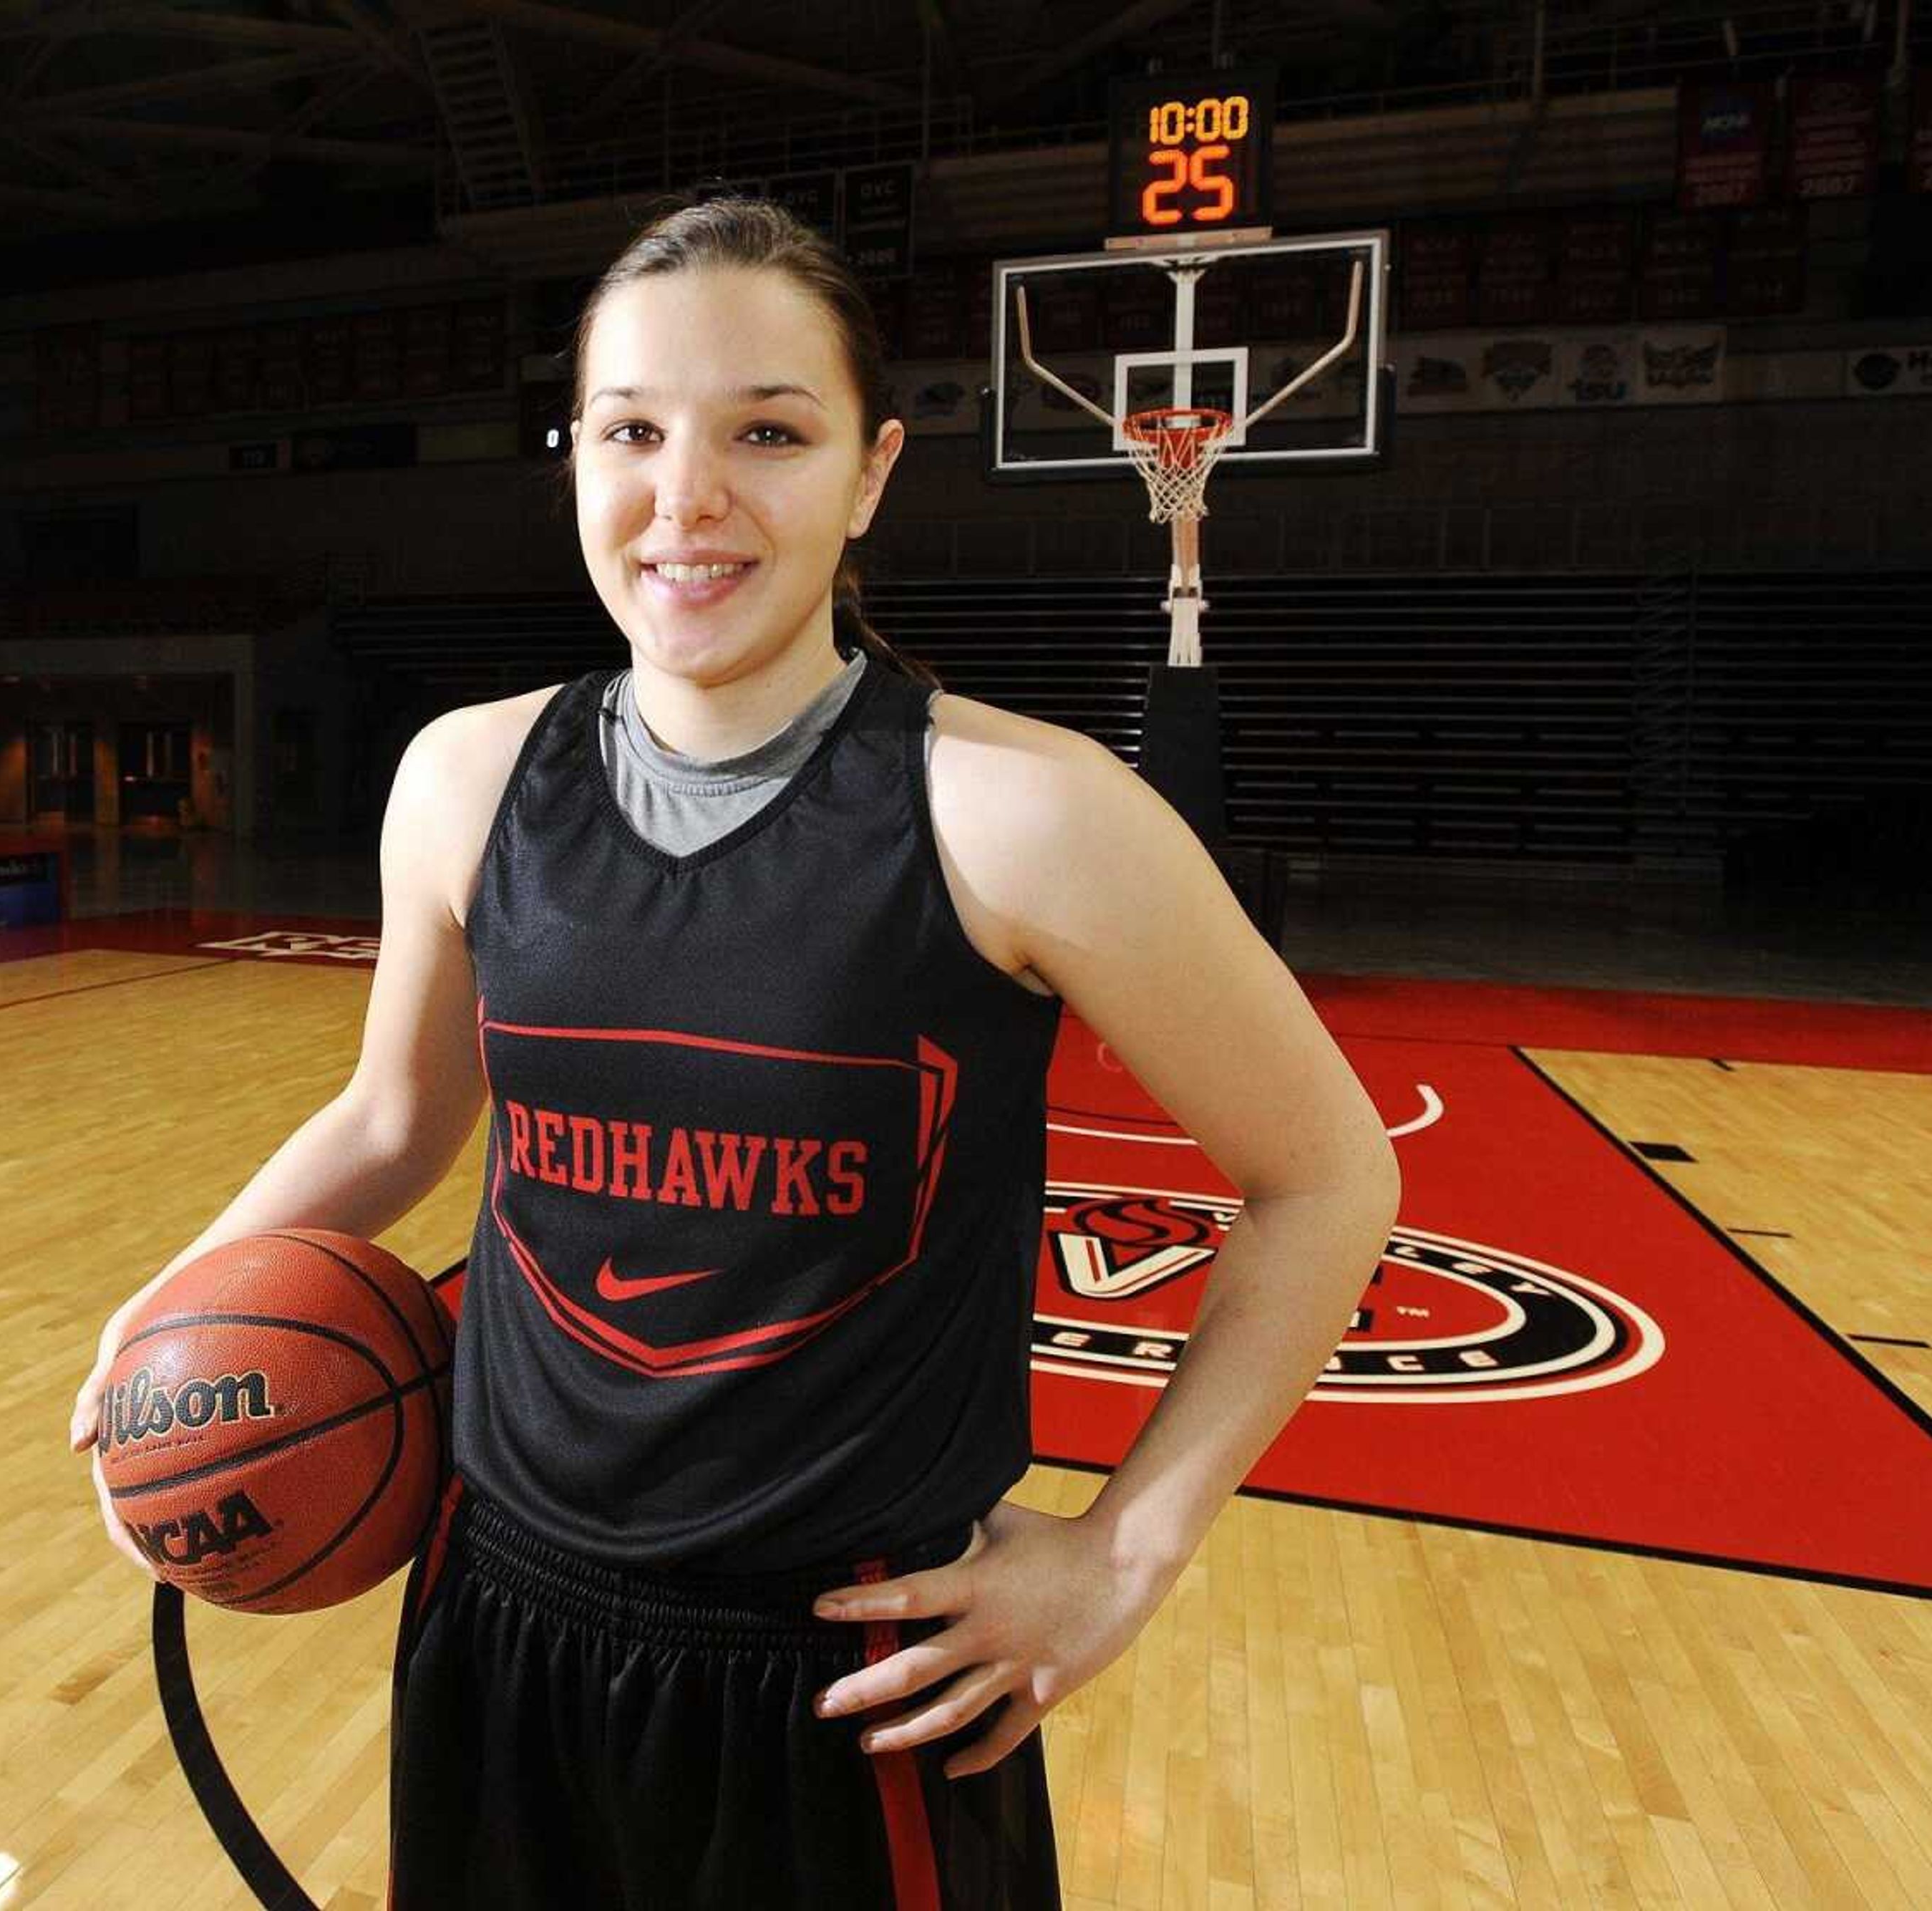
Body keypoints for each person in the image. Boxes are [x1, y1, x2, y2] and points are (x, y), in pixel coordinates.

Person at [68, 195, 1400, 1909]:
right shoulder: (468, 780)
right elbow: (395, 1117)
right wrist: (172, 1319)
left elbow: (1326, 1178)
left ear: (869, 474)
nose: (685, 497)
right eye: (630, 431)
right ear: (575, 461)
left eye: (768, 431)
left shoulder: (1033, 813)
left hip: (849, 1669)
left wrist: (1124, 1553)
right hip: (495, 1603)